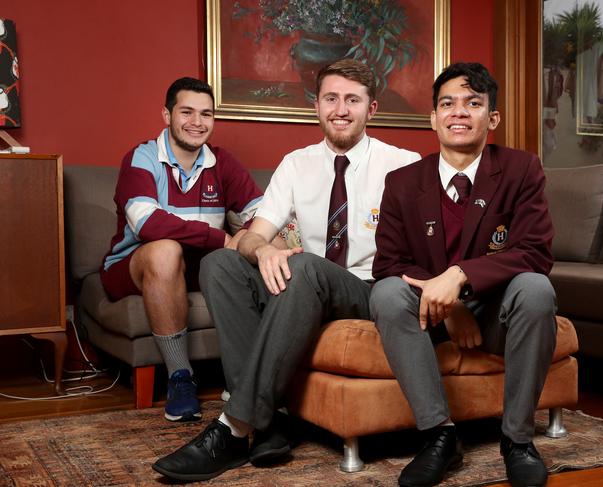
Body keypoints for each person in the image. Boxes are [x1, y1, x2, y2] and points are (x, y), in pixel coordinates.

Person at [152, 59, 421, 481]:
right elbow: (253, 234)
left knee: (307, 266)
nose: (340, 109)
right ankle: (271, 426)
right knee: (222, 261)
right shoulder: (297, 163)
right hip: (307, 289)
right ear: (316, 105)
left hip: (369, 291)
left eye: (353, 100)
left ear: (372, 110)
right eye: (331, 98)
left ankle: (235, 426)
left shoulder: (403, 164)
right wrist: (262, 252)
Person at [370, 62, 556, 487]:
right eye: (447, 104)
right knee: (384, 293)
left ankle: (518, 441)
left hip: (495, 312)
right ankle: (440, 436)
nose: (459, 112)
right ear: (433, 118)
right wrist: (449, 305)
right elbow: (390, 265)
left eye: (473, 103)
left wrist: (460, 275)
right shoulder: (401, 182)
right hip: (428, 317)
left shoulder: (521, 169)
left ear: (492, 118)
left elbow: (535, 252)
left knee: (536, 287)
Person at [100, 77, 263, 422]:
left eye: (206, 114)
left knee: (271, 243)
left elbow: (264, 215)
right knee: (165, 249)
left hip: (200, 270)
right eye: (186, 112)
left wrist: (255, 239)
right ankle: (180, 378)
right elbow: (147, 224)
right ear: (167, 115)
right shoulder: (141, 158)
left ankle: (253, 378)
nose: (197, 122)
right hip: (134, 267)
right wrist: (221, 239)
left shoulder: (222, 162)